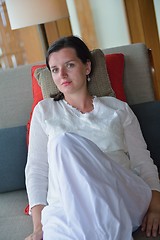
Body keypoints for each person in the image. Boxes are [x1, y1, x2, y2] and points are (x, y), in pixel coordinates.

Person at [25, 35, 160, 240]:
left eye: (69, 65)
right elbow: (36, 169)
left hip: (124, 196)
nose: (62, 74)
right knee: (63, 230)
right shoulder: (45, 111)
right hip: (69, 206)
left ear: (87, 67)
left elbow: (143, 161)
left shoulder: (118, 109)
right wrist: (38, 226)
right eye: (54, 69)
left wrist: (156, 208)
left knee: (63, 143)